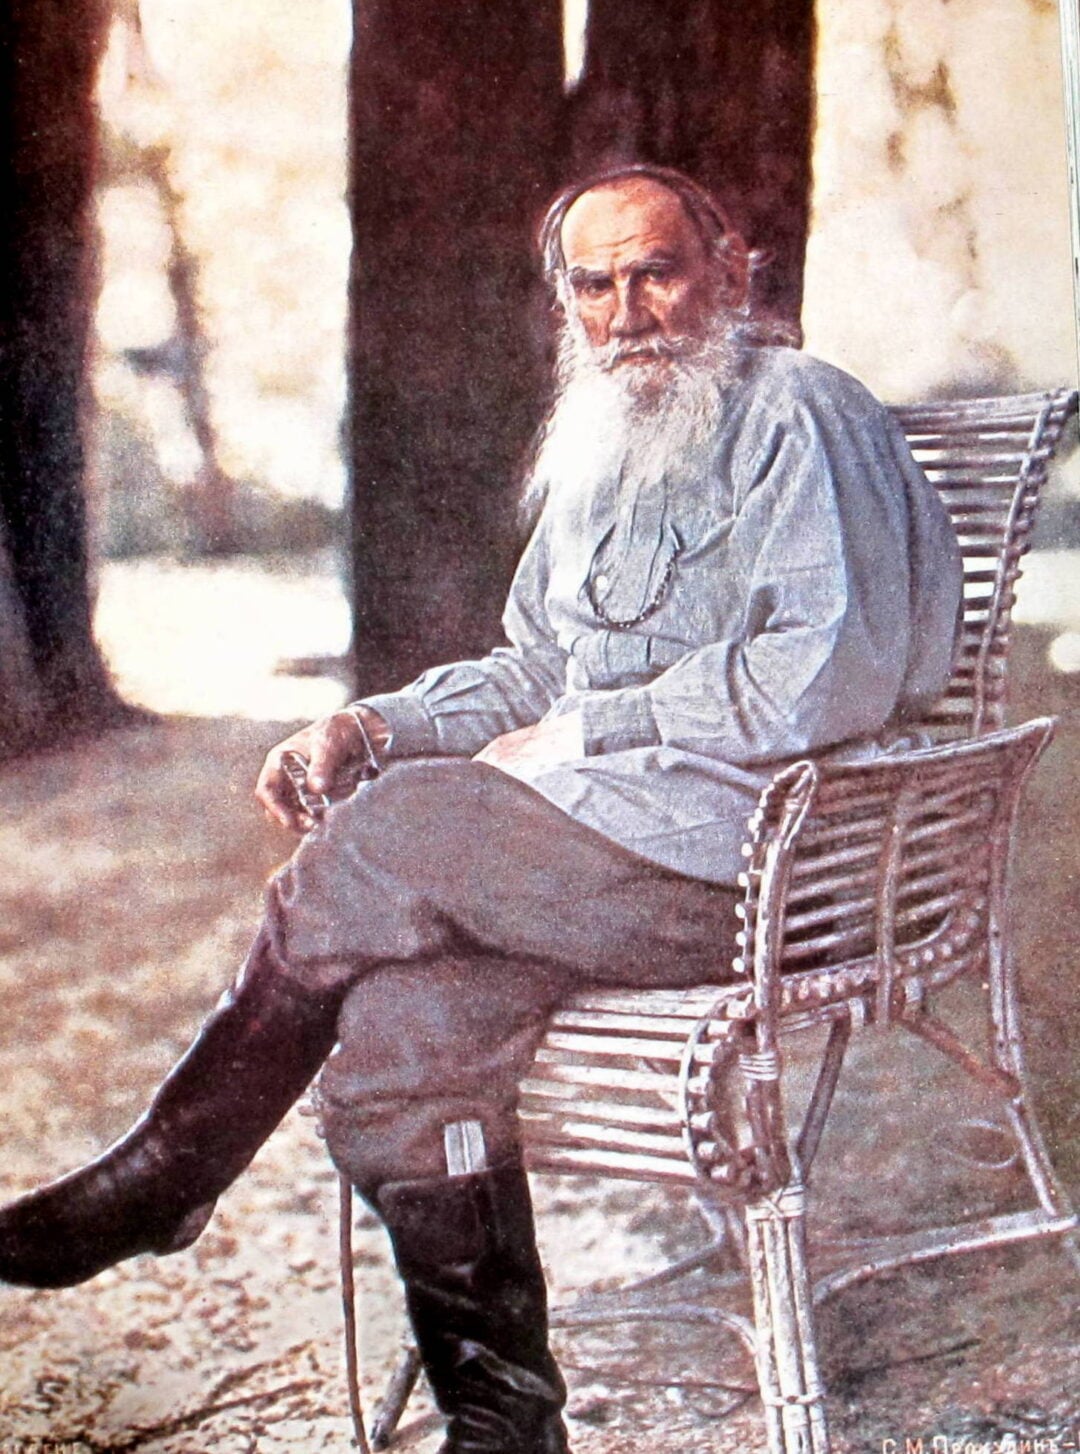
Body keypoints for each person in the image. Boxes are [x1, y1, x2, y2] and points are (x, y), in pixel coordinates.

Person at [0, 166, 962, 1454]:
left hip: (757, 867)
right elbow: (535, 668)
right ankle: (506, 1422)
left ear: (732, 270)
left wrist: (588, 731)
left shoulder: (799, 409)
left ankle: (171, 1168)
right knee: (405, 1030)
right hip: (592, 867)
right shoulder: (604, 442)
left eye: (657, 272)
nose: (627, 313)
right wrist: (377, 725)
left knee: (397, 828)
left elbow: (824, 672)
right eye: (594, 285)